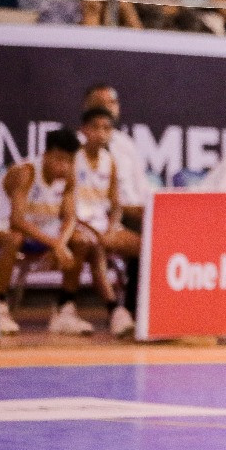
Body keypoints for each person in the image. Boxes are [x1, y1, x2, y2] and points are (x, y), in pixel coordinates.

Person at [0, 128, 94, 336]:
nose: (64, 166)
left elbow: (70, 217)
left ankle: (65, 310)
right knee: (13, 239)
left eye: (69, 160)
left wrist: (61, 243)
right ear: (45, 155)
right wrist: (55, 244)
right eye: (59, 159)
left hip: (37, 225)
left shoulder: (69, 176)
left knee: (81, 241)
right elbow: (16, 221)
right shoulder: (25, 172)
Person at [81, 83, 151, 324]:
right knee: (134, 233)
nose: (108, 107)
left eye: (112, 103)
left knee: (156, 232)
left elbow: (141, 188)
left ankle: (138, 309)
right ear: (87, 107)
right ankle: (120, 311)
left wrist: (148, 211)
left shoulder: (126, 145)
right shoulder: (76, 147)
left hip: (127, 211)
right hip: (94, 214)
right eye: (101, 103)